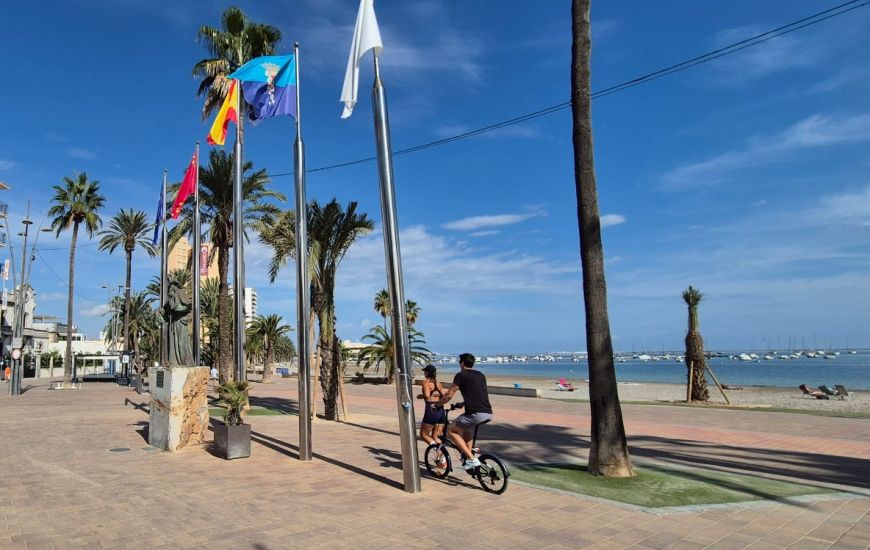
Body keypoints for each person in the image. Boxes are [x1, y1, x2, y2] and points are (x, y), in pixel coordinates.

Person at [436, 353, 493, 470]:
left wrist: (437, 405)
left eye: (459, 362)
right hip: (487, 413)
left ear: (462, 363)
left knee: (451, 430)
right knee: (465, 429)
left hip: (475, 414)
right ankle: (468, 456)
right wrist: (462, 404)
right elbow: (477, 394)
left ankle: (471, 459)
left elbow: (449, 395)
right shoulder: (481, 375)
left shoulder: (461, 375)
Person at [419, 365, 446, 446]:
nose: (424, 373)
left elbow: (427, 395)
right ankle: (442, 458)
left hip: (431, 411)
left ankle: (433, 446)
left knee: (424, 435)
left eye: (425, 372)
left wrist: (422, 395)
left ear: (427, 373)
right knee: (436, 436)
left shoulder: (426, 383)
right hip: (440, 411)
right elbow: (444, 395)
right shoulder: (438, 383)